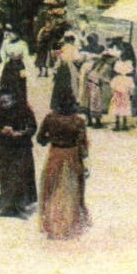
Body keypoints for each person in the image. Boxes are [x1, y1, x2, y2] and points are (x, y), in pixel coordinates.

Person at [36, 95, 91, 240]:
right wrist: (84, 162)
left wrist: (52, 137)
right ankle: (70, 225)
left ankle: (52, 224)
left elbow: (40, 139)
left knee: (52, 189)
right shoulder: (78, 121)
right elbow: (83, 146)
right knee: (71, 190)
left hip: (55, 155)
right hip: (72, 156)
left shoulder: (50, 118)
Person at [0, 90, 39, 218]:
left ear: (13, 100)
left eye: (6, 102)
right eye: (1, 102)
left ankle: (21, 206)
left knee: (21, 177)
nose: (4, 105)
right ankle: (6, 206)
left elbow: (33, 127)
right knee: (4, 177)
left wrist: (21, 133)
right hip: (4, 149)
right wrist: (2, 132)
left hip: (21, 148)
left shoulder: (25, 111)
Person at [110, 58, 135, 132]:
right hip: (125, 95)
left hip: (117, 94)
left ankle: (117, 124)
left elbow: (112, 87)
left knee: (116, 108)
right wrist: (131, 95)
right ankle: (124, 124)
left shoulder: (116, 78)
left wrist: (113, 94)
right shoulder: (129, 79)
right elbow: (131, 88)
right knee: (125, 109)